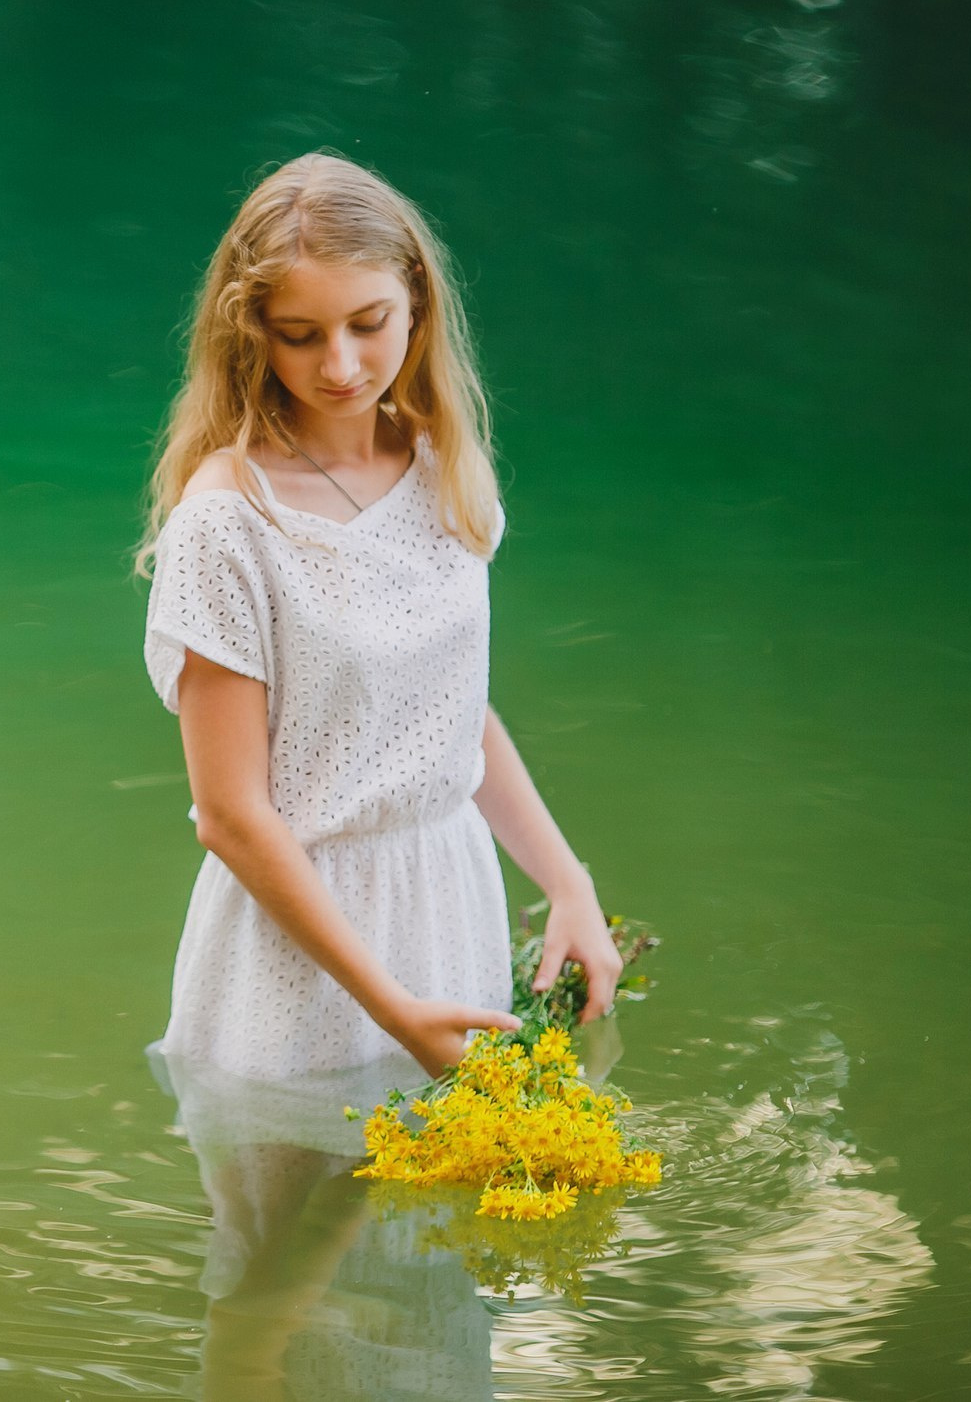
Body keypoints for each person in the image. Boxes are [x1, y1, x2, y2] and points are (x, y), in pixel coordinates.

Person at [139, 150, 622, 1098]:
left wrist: (568, 883)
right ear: (253, 337)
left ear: (416, 303)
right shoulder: (228, 522)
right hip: (304, 938)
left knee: (438, 1240)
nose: (343, 365)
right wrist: (390, 1005)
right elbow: (232, 816)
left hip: (449, 897)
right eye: (301, 334)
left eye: (369, 324)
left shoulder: (443, 465)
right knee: (285, 1234)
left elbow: (449, 715)